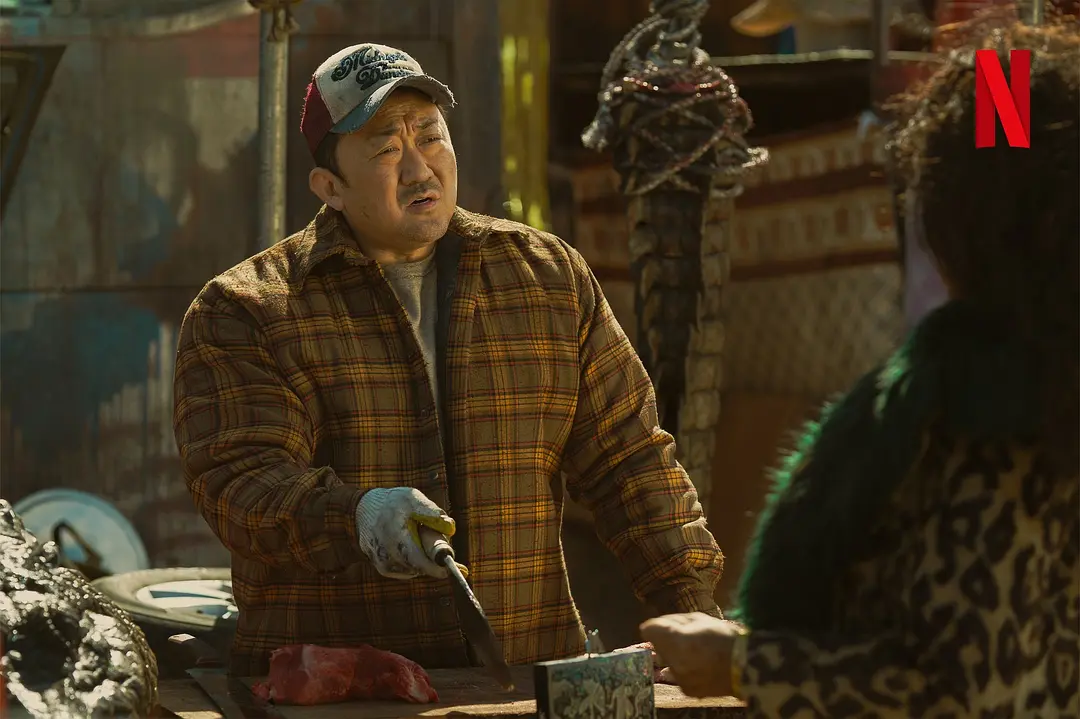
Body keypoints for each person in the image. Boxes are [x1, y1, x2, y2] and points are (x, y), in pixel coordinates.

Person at [173, 43, 723, 677]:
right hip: (342, 687)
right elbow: (241, 487)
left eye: (431, 137)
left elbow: (630, 461)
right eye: (386, 149)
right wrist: (357, 516)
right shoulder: (248, 310)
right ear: (330, 187)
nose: (419, 169)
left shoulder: (546, 278)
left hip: (526, 677)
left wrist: (694, 610)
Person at [642, 14, 1079, 717]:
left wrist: (744, 664)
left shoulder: (993, 408)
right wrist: (1006, 72)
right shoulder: (1024, 369)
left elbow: (964, 686)